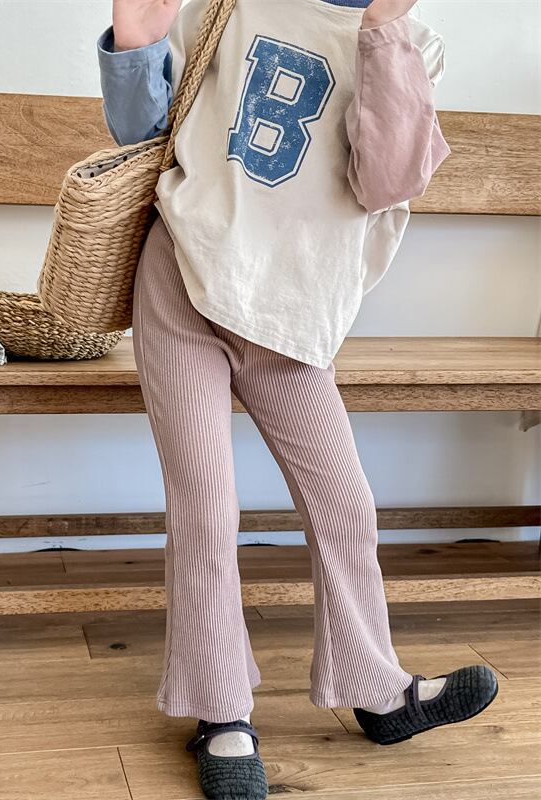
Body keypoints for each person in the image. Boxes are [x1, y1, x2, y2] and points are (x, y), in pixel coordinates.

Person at [97, 1, 499, 797]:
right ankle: (221, 712)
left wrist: (383, 32)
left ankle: (376, 689)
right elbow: (143, 134)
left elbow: (386, 181)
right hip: (184, 280)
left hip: (292, 312)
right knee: (206, 505)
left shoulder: (413, 45)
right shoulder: (232, 5)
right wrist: (137, 45)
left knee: (345, 504)